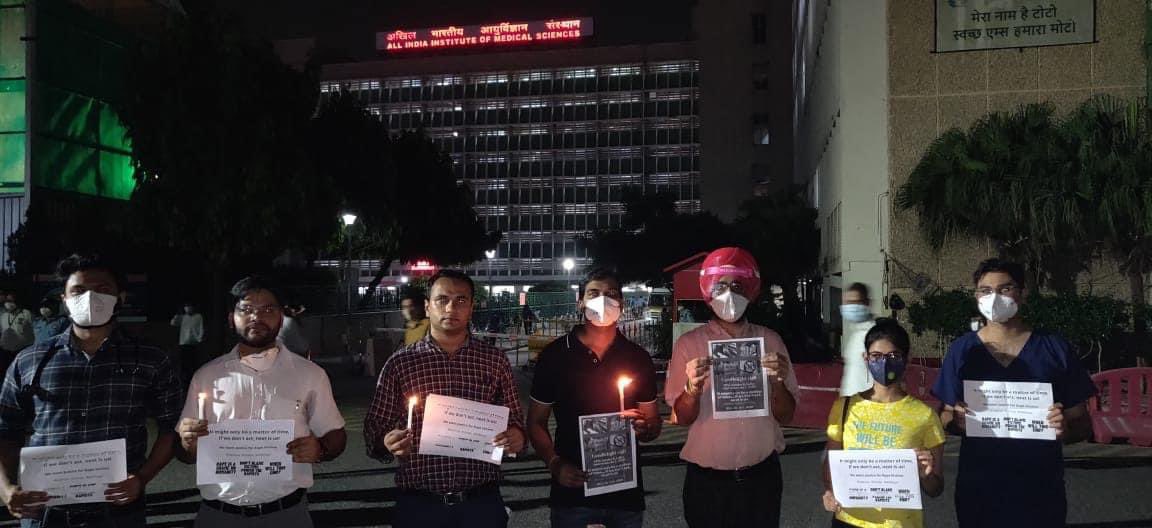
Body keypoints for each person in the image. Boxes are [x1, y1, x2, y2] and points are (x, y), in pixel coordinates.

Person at [0, 254, 184, 527]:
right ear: (64, 299)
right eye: (79, 290)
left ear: (120, 298)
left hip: (120, 513)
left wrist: (142, 478)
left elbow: (171, 427)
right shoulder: (30, 360)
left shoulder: (151, 358)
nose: (89, 298)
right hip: (45, 513)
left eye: (103, 290)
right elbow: (5, 429)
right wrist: (5, 488)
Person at [932, 258, 1096, 527]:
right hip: (979, 490)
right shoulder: (962, 351)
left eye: (1005, 289)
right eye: (985, 290)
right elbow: (943, 416)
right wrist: (956, 421)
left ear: (1022, 292)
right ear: (976, 296)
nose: (994, 297)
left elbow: (1083, 423)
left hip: (1040, 490)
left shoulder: (1054, 349)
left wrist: (1064, 428)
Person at [175, 276, 346, 527]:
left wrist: (320, 449)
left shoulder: (310, 374)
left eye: (268, 309)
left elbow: (337, 437)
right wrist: (187, 443)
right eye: (246, 309)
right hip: (219, 515)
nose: (257, 316)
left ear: (282, 316)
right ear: (231, 318)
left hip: (287, 514)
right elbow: (185, 453)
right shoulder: (207, 376)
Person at [364, 270, 525, 528]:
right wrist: (386, 441)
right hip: (419, 504)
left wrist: (517, 436)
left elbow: (515, 418)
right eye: (442, 299)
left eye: (461, 300)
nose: (451, 307)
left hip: (481, 502)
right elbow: (374, 428)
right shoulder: (400, 364)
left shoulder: (495, 361)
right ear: (428, 307)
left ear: (472, 308)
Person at [665, 247, 800, 528]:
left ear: (750, 290)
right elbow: (680, 418)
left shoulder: (770, 341)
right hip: (707, 483)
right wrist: (691, 389)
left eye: (737, 285)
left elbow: (786, 416)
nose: (729, 293)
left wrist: (777, 382)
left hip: (761, 480)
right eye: (721, 285)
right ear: (708, 292)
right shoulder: (688, 345)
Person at [528, 268, 661, 528]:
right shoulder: (555, 356)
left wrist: (646, 428)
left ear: (621, 304)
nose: (603, 300)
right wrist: (554, 464)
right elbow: (535, 422)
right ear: (580, 302)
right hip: (572, 493)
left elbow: (652, 423)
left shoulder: (638, 357)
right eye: (594, 293)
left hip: (625, 494)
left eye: (611, 294)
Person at [821, 320, 945, 528]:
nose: (884, 363)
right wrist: (829, 491)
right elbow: (831, 465)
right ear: (866, 358)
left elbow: (936, 488)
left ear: (907, 359)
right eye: (876, 356)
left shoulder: (925, 416)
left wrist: (926, 475)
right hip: (848, 521)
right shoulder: (845, 407)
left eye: (893, 356)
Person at [838, 283, 876, 396]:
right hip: (852, 404)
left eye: (855, 302)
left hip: (867, 405)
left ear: (867, 303)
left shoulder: (873, 336)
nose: (851, 307)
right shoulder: (855, 334)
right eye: (847, 302)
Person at [0, 292, 34, 375]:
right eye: (7, 301)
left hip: (21, 351)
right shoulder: (3, 316)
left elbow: (34, 330)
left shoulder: (26, 314)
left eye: (11, 301)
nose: (8, 303)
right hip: (5, 352)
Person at [171, 302, 205, 381]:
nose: (188, 308)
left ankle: (193, 377)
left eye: (189, 306)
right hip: (183, 343)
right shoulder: (183, 317)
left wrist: (199, 339)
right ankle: (184, 379)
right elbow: (173, 323)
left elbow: (201, 328)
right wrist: (178, 314)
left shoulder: (198, 317)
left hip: (194, 343)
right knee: (184, 363)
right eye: (186, 307)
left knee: (193, 362)